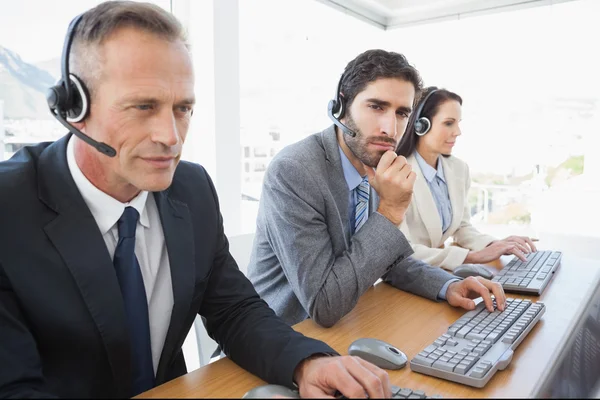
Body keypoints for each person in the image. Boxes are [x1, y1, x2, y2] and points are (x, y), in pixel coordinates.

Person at [0, 3, 395, 398]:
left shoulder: (192, 189)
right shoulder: (9, 208)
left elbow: (234, 311)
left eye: (182, 108)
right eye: (143, 107)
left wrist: (307, 363)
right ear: (75, 107)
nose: (171, 136)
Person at [247, 50, 506, 329]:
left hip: (349, 324)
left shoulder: (372, 163)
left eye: (402, 113)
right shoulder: (294, 171)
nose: (390, 128)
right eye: (377, 107)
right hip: (283, 335)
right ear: (341, 106)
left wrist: (448, 286)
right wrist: (390, 211)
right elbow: (324, 304)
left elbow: (390, 261)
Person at [395, 87, 537, 271]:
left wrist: (494, 245)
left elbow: (461, 227)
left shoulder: (458, 169)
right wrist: (473, 257)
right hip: (407, 275)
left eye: (458, 123)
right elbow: (402, 249)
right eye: (448, 123)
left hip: (440, 271)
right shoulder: (397, 173)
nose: (458, 132)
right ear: (420, 125)